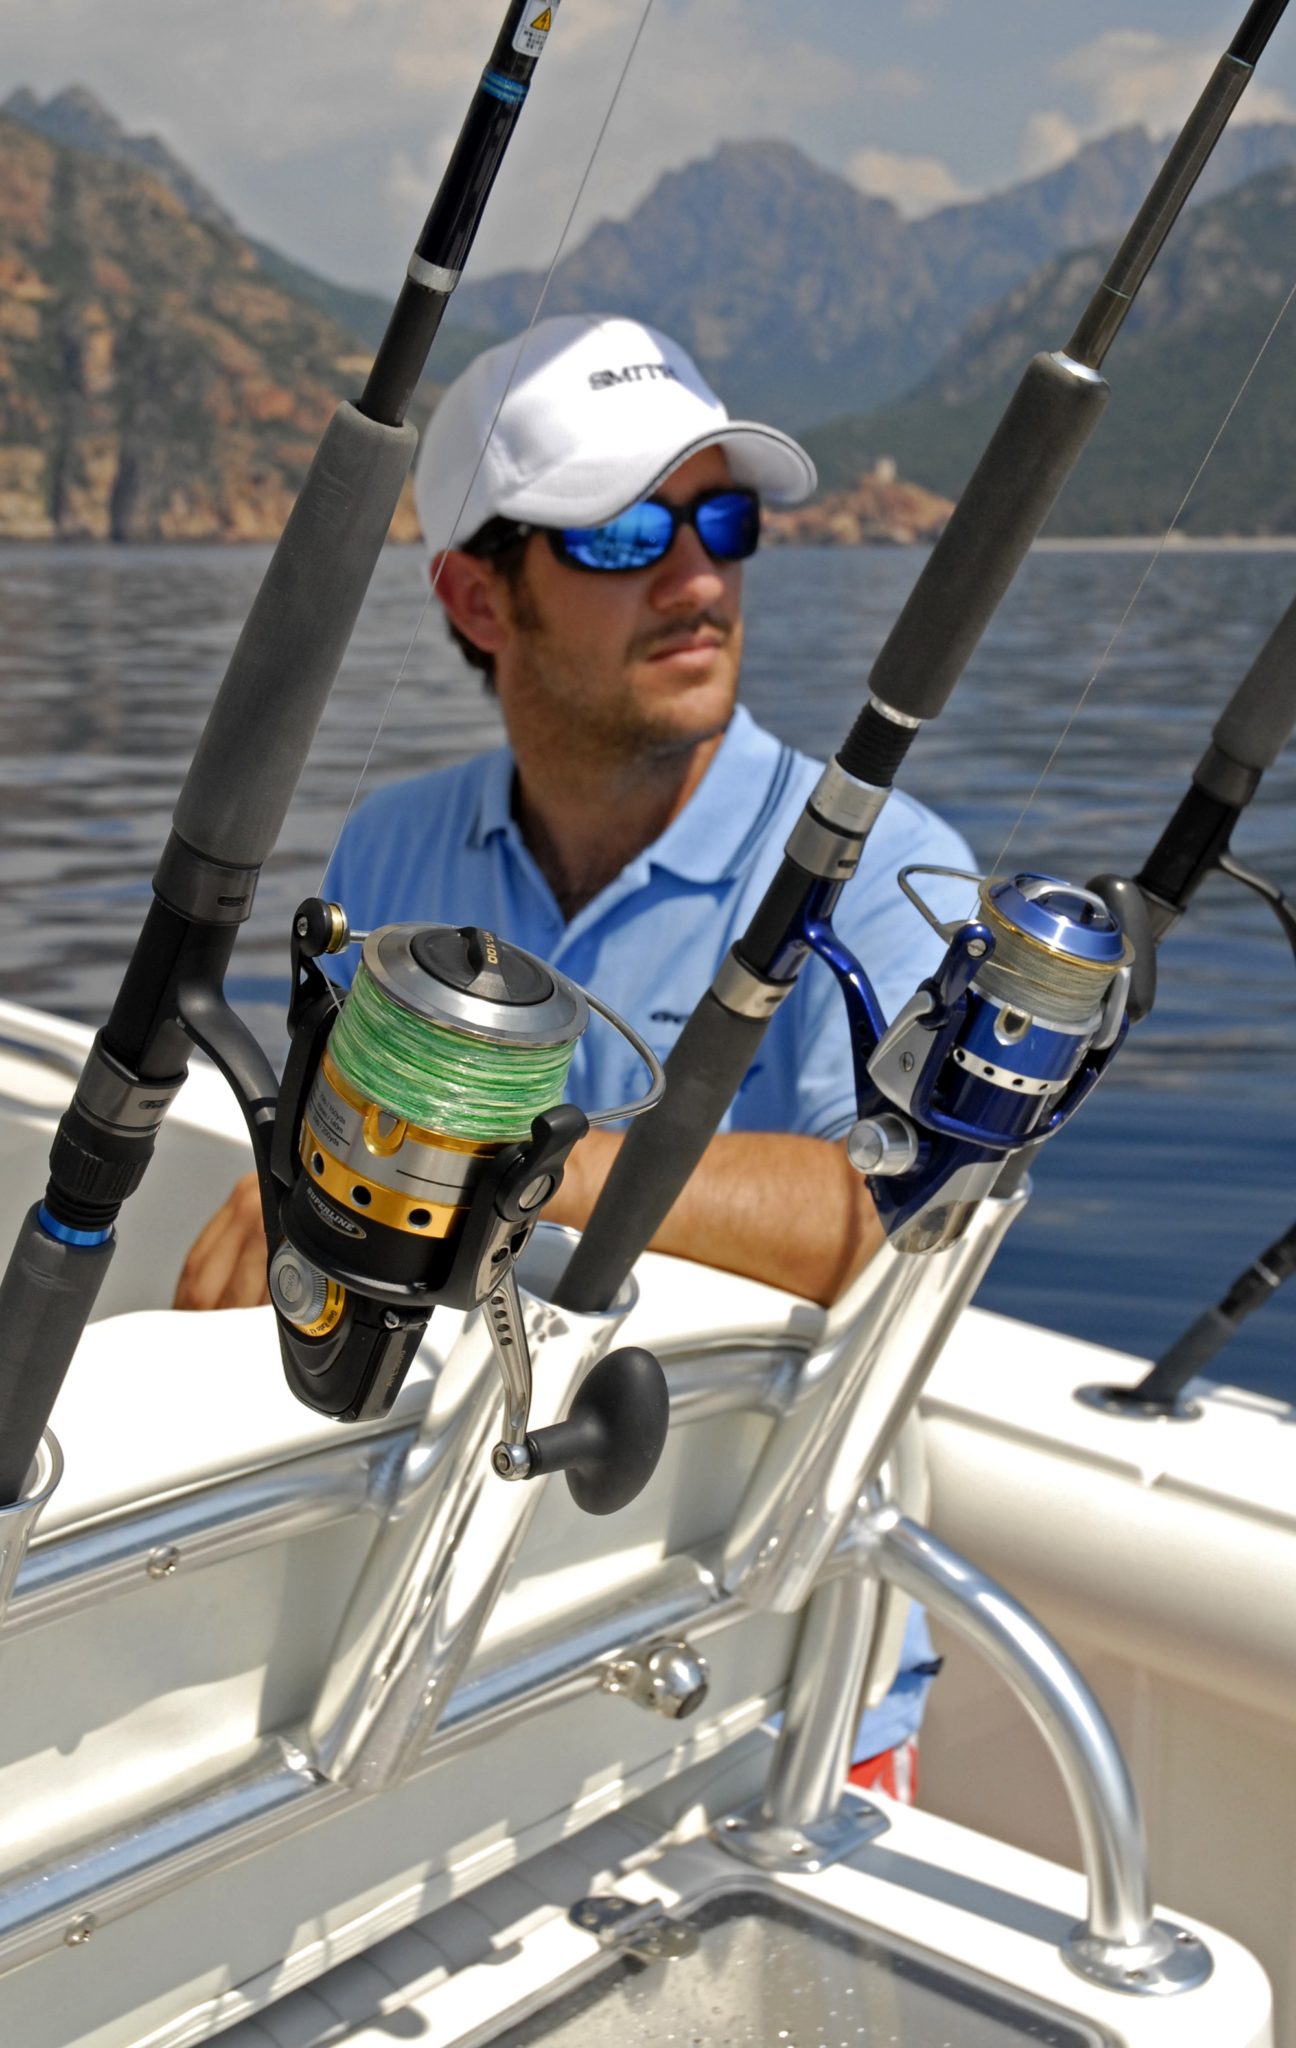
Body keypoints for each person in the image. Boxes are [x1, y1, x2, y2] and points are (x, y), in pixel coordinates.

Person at [175, 312, 973, 1796]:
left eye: (720, 517)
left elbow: (873, 1221)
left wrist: (501, 1162)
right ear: (480, 599)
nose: (698, 578)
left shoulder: (884, 873)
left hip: (760, 1676)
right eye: (619, 536)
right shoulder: (394, 843)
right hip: (463, 1637)